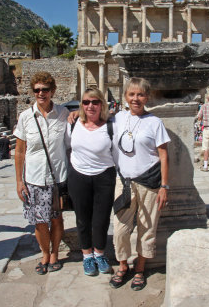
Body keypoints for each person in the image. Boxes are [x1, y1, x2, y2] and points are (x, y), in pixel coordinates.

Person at [109, 77, 170, 291]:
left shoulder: (155, 122)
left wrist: (164, 186)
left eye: (140, 94)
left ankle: (140, 269)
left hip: (149, 183)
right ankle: (123, 265)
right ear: (125, 96)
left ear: (147, 97)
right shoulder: (117, 119)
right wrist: (72, 114)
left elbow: (163, 155)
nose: (136, 98)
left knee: (147, 228)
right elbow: (92, 120)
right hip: (124, 182)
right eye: (132, 94)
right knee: (120, 229)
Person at [14, 72, 69, 275]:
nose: (41, 93)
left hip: (57, 178)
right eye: (37, 90)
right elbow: (20, 151)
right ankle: (45, 253)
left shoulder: (64, 114)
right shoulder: (26, 117)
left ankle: (55, 253)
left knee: (56, 219)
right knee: (39, 222)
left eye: (45, 89)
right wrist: (19, 181)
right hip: (35, 179)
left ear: (52, 91)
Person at [67, 88, 116, 276]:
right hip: (78, 175)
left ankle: (100, 253)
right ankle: (87, 256)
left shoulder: (111, 125)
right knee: (82, 218)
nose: (90, 106)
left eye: (95, 102)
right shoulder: (73, 123)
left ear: (102, 104)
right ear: (81, 104)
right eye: (86, 102)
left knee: (101, 219)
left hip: (104, 175)